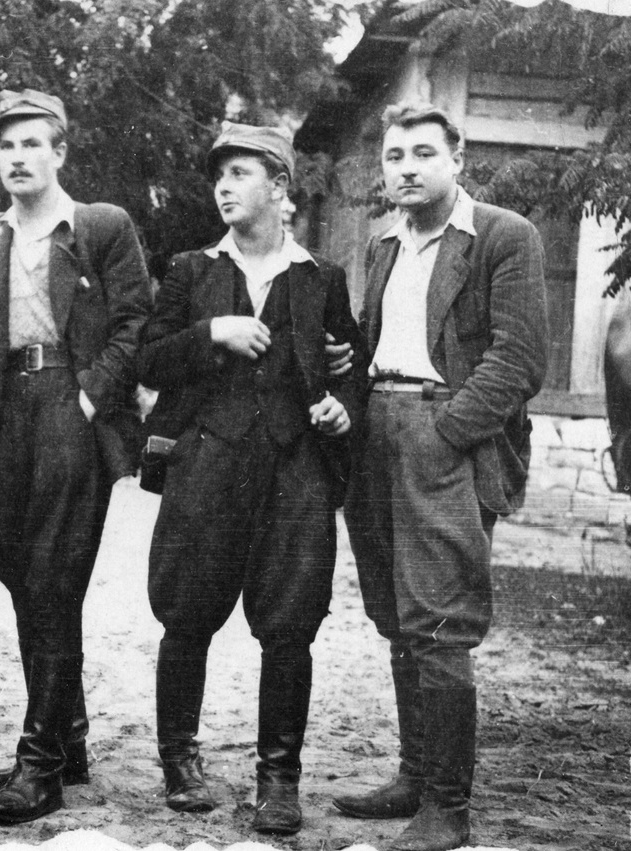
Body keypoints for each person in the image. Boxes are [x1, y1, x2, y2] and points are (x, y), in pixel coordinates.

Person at [137, 123, 364, 835]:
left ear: (279, 186)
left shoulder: (321, 277)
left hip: (294, 470)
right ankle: (181, 762)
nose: (224, 187)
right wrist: (213, 333)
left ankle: (278, 780)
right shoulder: (191, 270)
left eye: (239, 173)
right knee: (186, 613)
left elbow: (350, 366)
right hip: (206, 464)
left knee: (290, 625)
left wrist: (339, 405)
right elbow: (148, 359)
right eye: (219, 176)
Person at [333, 102, 547, 851]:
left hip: (447, 434)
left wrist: (445, 435)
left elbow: (519, 359)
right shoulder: (383, 243)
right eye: (395, 157)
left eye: (424, 153)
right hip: (377, 433)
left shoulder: (503, 236)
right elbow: (377, 342)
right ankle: (414, 776)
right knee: (397, 614)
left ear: (458, 158)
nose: (408, 169)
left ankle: (448, 810)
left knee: (440, 620)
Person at [0, 90, 150, 825]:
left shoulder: (100, 226)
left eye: (33, 143)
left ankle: (40, 767)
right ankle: (66, 737)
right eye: (7, 146)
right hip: (4, 411)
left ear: (59, 152)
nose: (18, 157)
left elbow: (135, 319)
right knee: (15, 569)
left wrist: (92, 396)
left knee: (54, 579)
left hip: (70, 403)